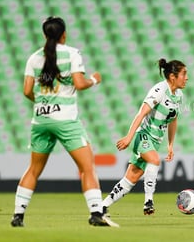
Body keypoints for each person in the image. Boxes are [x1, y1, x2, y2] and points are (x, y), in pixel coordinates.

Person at [11, 16, 118, 227]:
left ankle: (17, 216)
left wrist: (42, 103)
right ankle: (96, 214)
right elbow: (79, 83)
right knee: (87, 166)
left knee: (33, 169)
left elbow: (26, 91)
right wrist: (94, 80)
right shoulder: (72, 53)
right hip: (65, 119)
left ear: (44, 35)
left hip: (40, 119)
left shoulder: (34, 58)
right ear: (64, 34)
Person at [102, 58, 187, 216]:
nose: (186, 77)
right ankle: (148, 201)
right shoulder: (160, 90)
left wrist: (170, 145)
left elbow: (174, 119)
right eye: (184, 74)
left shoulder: (179, 96)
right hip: (143, 136)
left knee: (131, 178)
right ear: (172, 76)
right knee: (154, 160)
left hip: (156, 142)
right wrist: (129, 137)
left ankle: (102, 206)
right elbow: (141, 113)